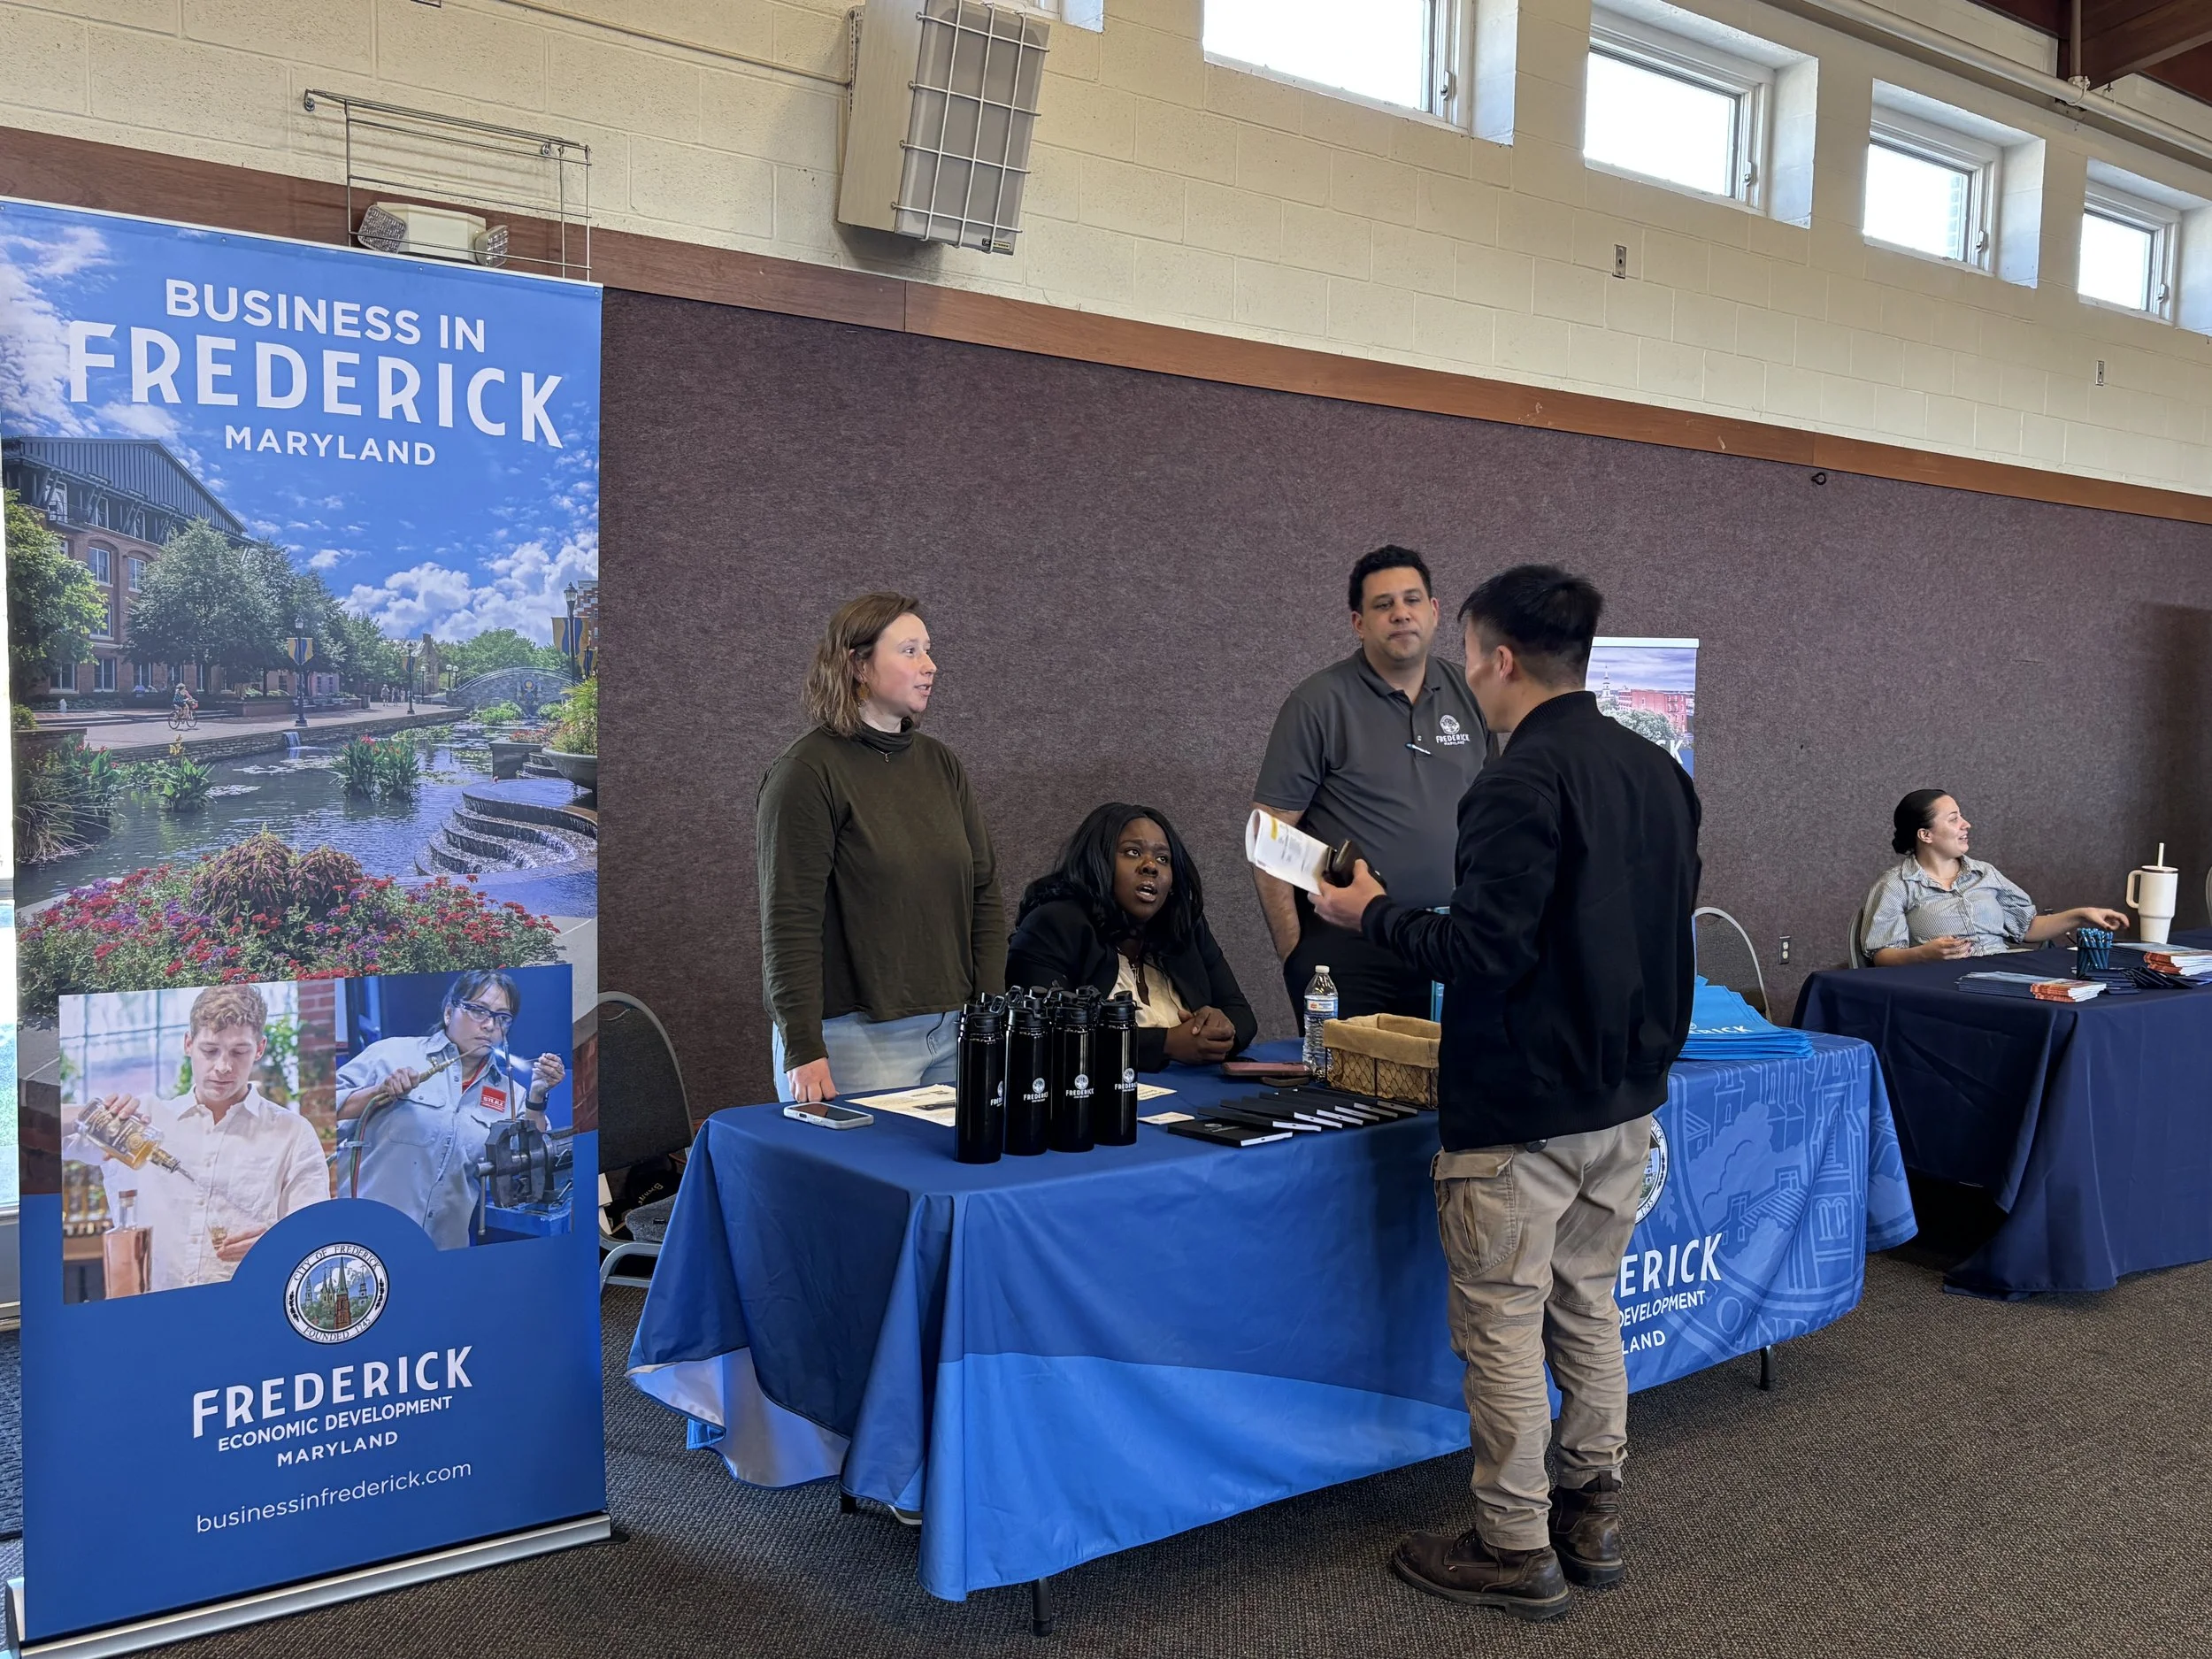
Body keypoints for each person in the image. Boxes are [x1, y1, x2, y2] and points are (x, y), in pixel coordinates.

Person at [1314, 565, 1700, 1621]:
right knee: (1589, 1307)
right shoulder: (1656, 770)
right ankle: (1591, 1513)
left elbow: (1483, 950)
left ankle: (1512, 1543)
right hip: (1625, 1103)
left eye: (1466, 652)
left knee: (1501, 1327)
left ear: (1497, 659)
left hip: (1520, 1115)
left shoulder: (1516, 781)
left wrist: (1372, 915)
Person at [757, 593, 1006, 1102]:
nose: (931, 666)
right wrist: (802, 1047)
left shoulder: (942, 765)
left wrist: (988, 1013)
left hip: (955, 1031)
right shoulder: (807, 774)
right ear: (858, 664)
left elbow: (984, 894)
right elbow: (789, 920)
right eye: (910, 651)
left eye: (929, 650)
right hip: (854, 1039)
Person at [1253, 546, 1490, 1022]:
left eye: (1412, 600)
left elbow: (1495, 817)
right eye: (1383, 605)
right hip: (1351, 946)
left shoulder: (1473, 692)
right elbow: (1268, 838)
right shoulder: (1318, 703)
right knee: (1352, 1093)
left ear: (1434, 611)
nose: (1401, 614)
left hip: (1448, 941)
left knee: (1450, 1089)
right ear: (1359, 623)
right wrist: (1296, 955)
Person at [77, 985, 329, 1293]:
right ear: (188, 1043)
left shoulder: (292, 1133)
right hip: (153, 1313)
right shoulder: (143, 1118)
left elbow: (315, 1238)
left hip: (247, 1310)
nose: (223, 1067)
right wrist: (87, 1112)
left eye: (239, 1052)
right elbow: (46, 1130)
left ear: (260, 1048)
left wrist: (277, 1244)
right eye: (209, 1050)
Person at [1007, 803, 1256, 1069]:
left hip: (1189, 1095)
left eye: (1163, 859)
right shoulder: (1053, 925)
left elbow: (1240, 1014)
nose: (1151, 866)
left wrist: (1220, 1031)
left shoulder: (1184, 928)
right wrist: (1166, 1044)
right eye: (1132, 852)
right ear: (1098, 862)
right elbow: (1048, 1033)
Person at [336, 970, 566, 1249]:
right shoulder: (389, 1054)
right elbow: (325, 1111)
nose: (490, 1025)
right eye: (479, 1011)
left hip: (442, 1249)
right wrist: (379, 1091)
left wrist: (537, 1096)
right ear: (449, 1012)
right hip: (364, 1238)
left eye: (502, 1018)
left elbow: (531, 1159)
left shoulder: (511, 1094)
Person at [1863, 790, 2128, 964]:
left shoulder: (1985, 873)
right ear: (1926, 835)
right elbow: (1881, 956)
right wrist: (1923, 955)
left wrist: (2081, 914)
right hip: (1944, 985)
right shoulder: (1895, 885)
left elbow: (2028, 928)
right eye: (1954, 819)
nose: (1966, 824)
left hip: (2006, 970)